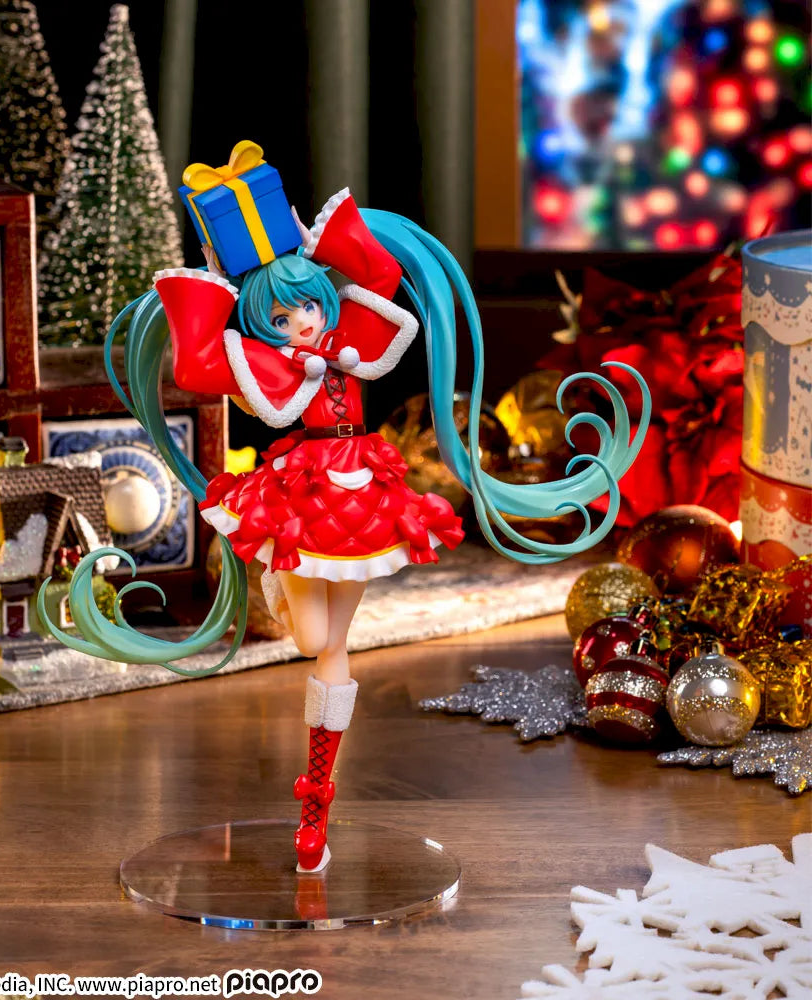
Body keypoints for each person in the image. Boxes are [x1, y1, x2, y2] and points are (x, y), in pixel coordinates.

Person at [39, 185, 650, 874]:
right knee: (311, 641)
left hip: (364, 493)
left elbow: (382, 282)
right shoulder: (267, 365)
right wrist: (221, 291)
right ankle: (277, 596)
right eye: (281, 316)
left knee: (332, 650)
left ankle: (317, 801)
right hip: (304, 492)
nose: (299, 323)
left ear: (323, 301)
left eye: (306, 306)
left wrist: (319, 253)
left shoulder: (355, 334)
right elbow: (212, 367)